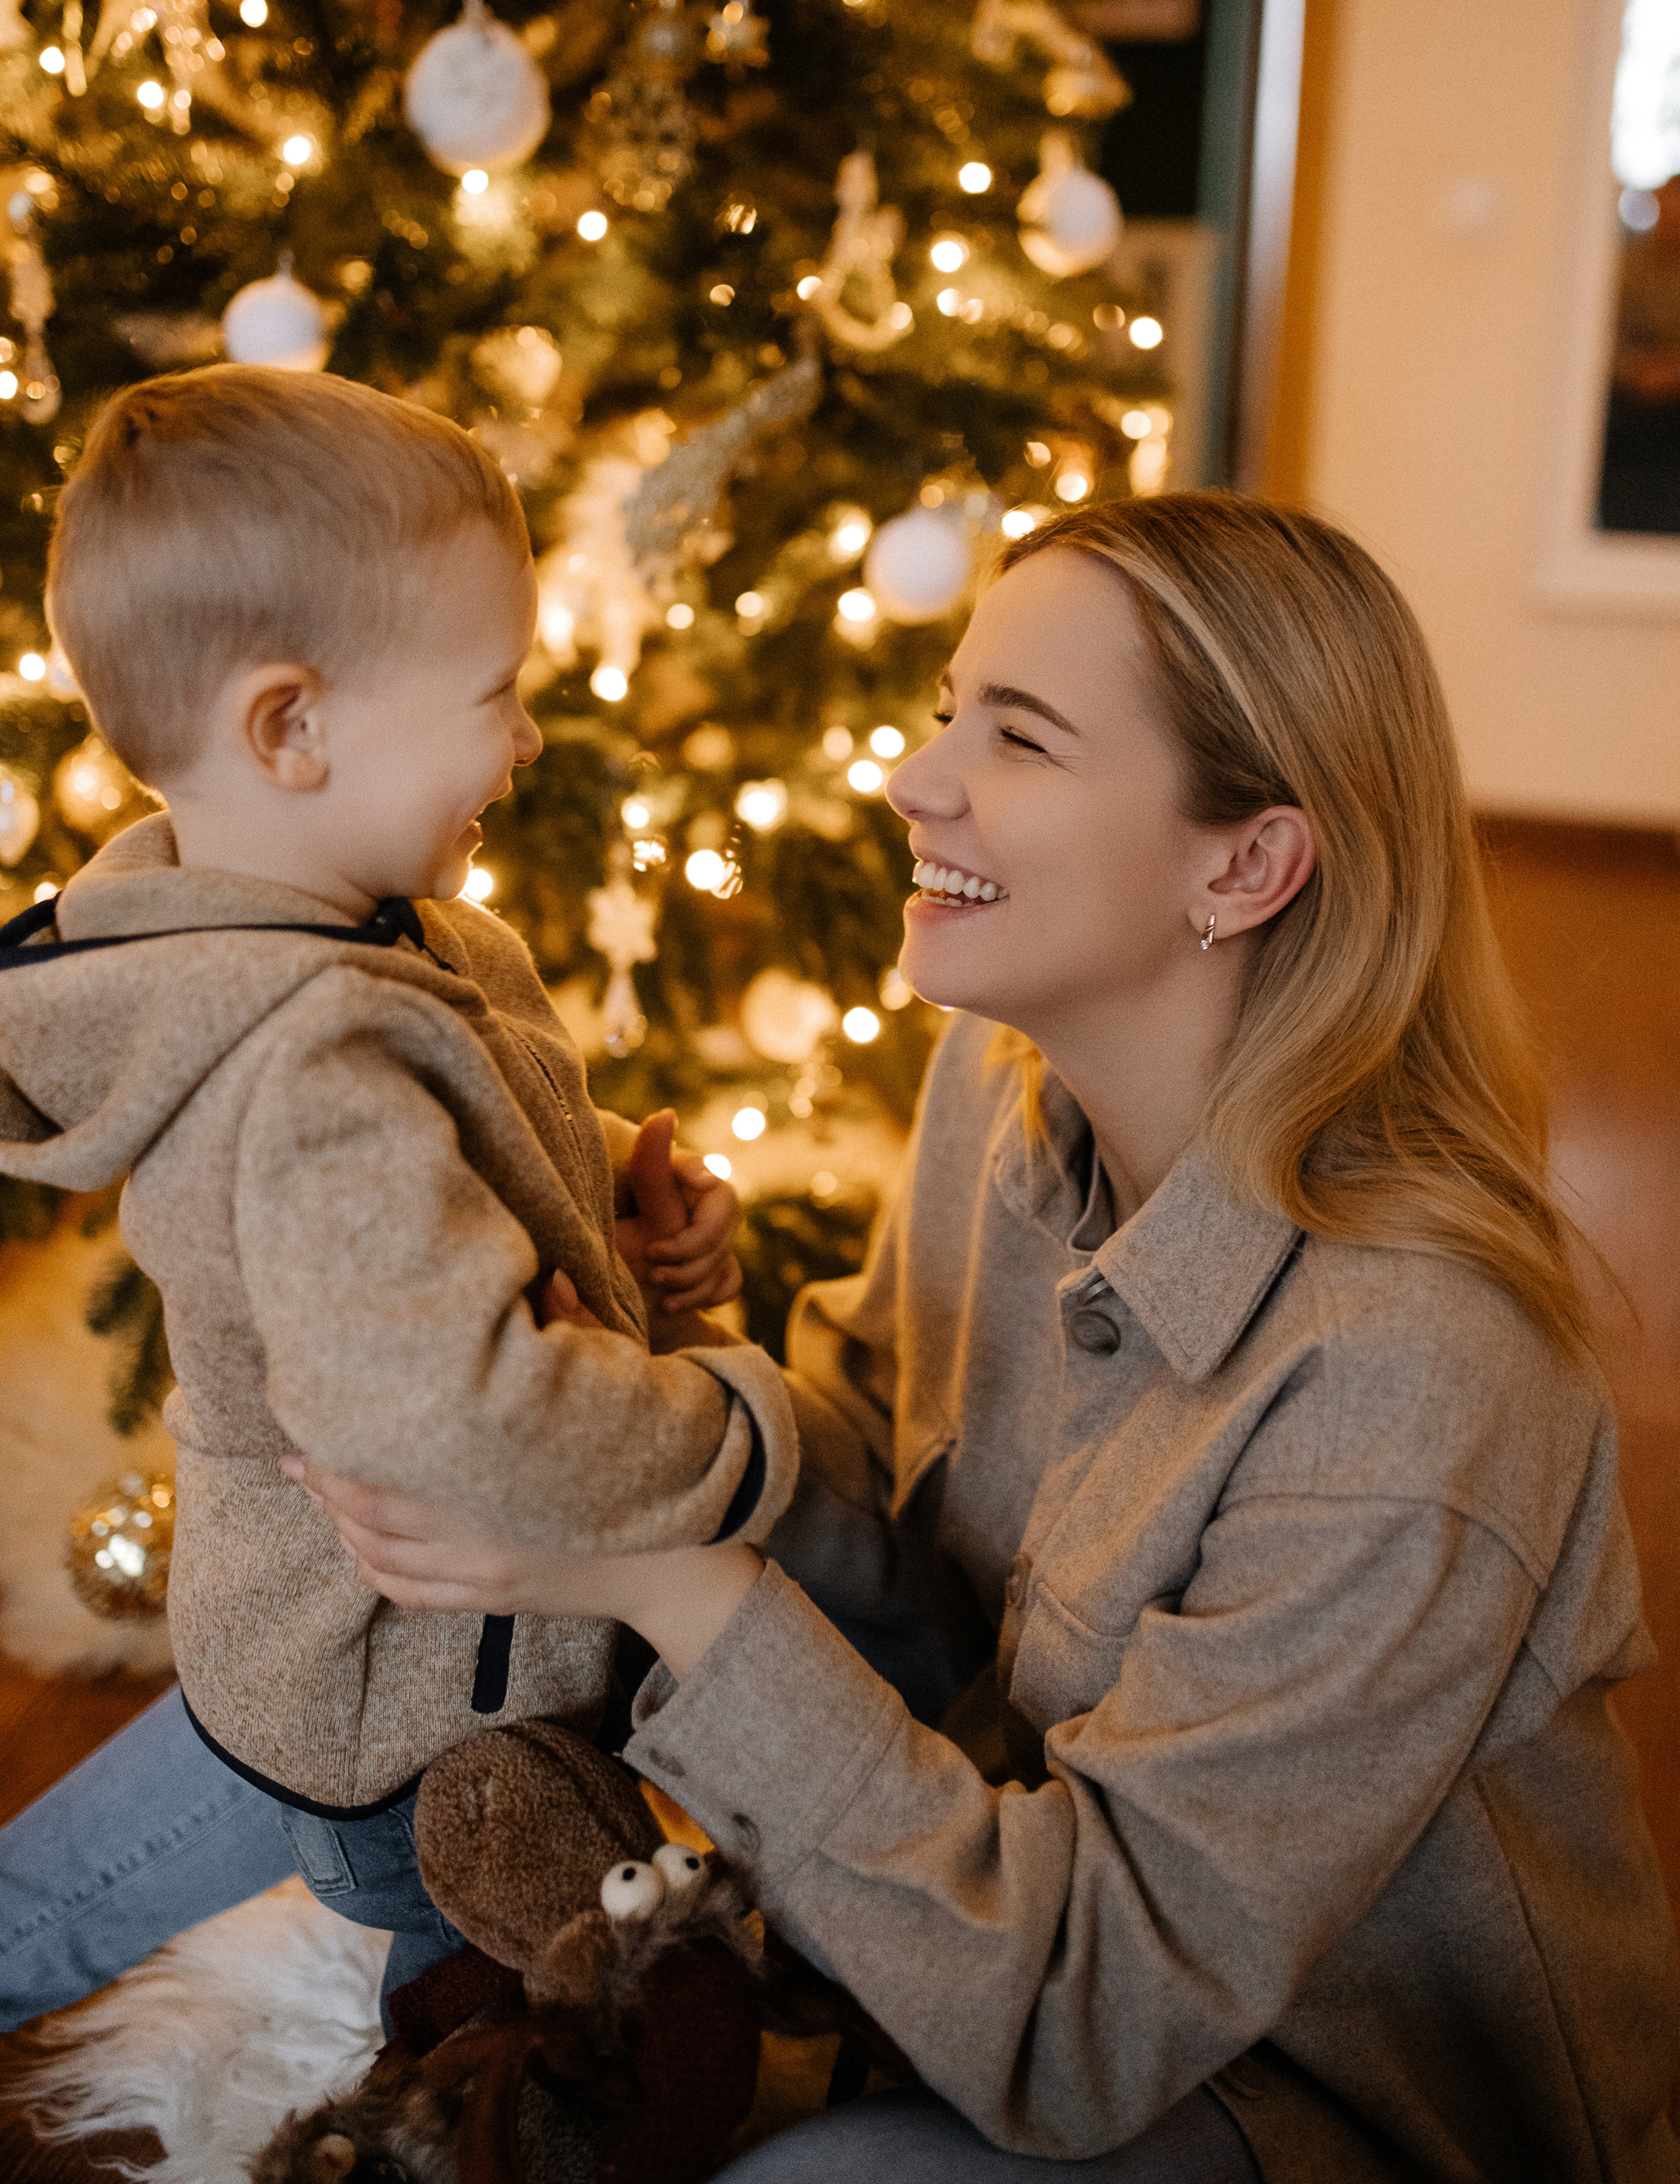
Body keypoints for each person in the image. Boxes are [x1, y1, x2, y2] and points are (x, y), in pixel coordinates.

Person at [295, 494, 1680, 2184]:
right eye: (950, 705)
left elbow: (1085, 2018)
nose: (912, 776)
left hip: (1320, 2099)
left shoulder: (1416, 1372)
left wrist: (656, 1557)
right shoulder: (997, 1092)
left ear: (1242, 863)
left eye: (1014, 736)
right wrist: (638, 1397)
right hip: (988, 1867)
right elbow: (887, 1506)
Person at [0, 365, 794, 2025]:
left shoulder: (405, 944)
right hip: (405, 1716)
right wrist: (729, 1424)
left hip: (356, 1655)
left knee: (73, 1879)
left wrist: (627, 1223)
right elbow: (475, 1426)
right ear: (291, 727)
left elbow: (477, 1188)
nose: (526, 736)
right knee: (498, 2044)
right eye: (494, 694)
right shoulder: (306, 1066)